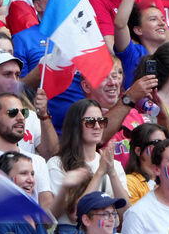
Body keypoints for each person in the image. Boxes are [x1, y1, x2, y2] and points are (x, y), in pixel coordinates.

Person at [47, 99, 128, 232]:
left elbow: (126, 213)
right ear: (75, 125)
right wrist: (100, 172)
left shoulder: (114, 164)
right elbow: (76, 215)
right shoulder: (57, 163)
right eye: (90, 122)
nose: (97, 126)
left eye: (101, 121)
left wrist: (112, 172)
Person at [0, 93, 54, 210]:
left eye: (24, 112)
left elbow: (47, 209)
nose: (21, 117)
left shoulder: (38, 161)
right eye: (12, 112)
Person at [124, 123, 167, 205]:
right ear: (138, 151)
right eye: (157, 143)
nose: (164, 147)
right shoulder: (130, 182)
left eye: (166, 142)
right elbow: (135, 216)